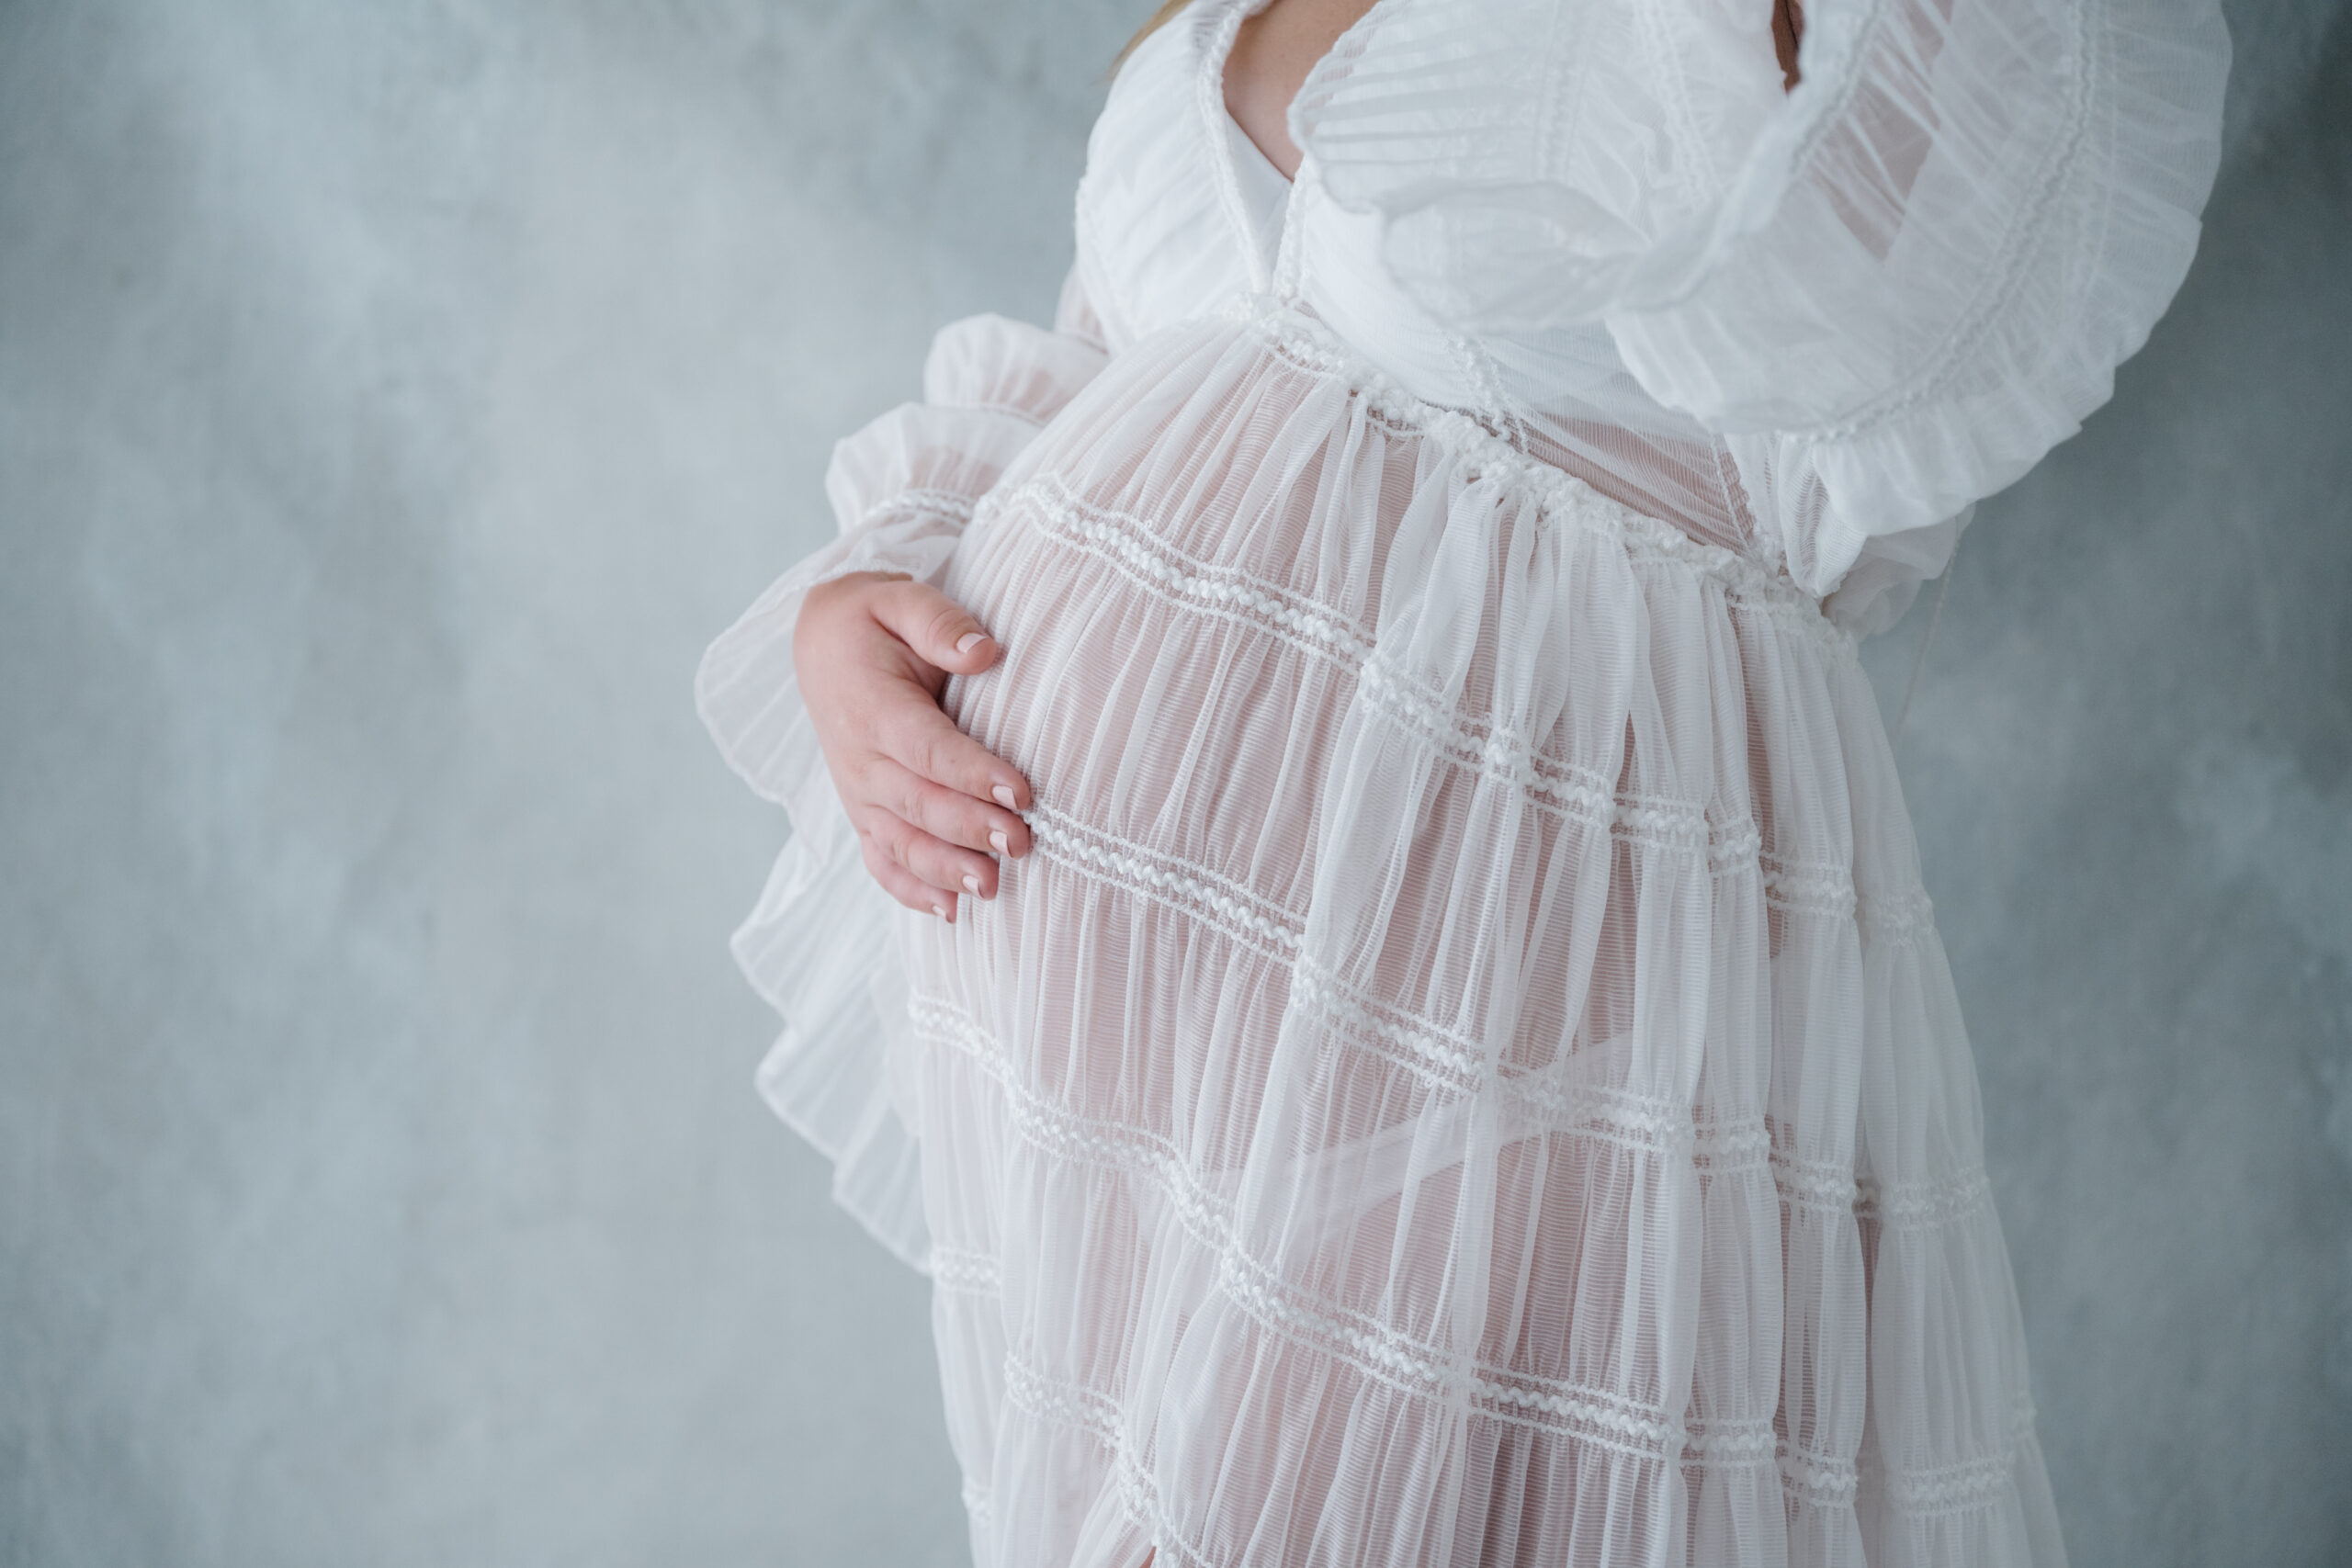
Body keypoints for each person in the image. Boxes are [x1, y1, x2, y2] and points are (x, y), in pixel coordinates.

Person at [696, 0, 2229, 1562]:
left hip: (1508, 1027)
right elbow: (1099, 369)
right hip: (1123, 1087)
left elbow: (1901, 307)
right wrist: (866, 604)